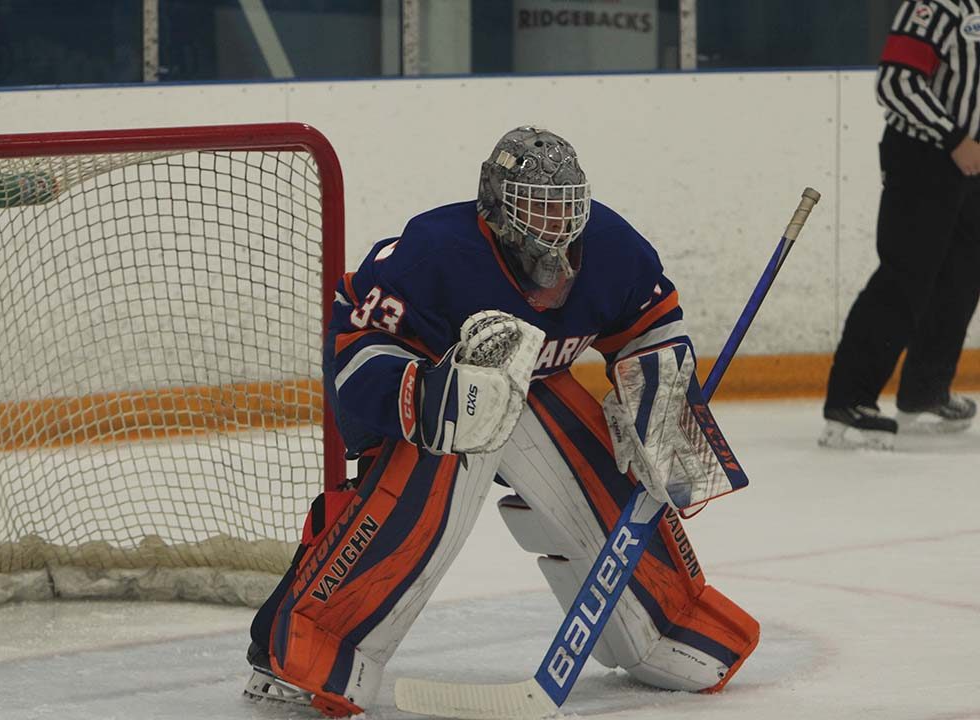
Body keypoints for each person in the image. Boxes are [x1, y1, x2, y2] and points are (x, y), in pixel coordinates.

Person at [243, 126, 759, 717]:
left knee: (605, 480)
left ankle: (666, 624)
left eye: (565, 205)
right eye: (537, 206)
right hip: (433, 398)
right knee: (426, 489)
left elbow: (648, 328)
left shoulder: (614, 247)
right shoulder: (435, 250)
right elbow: (357, 344)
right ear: (495, 205)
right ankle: (312, 641)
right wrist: (423, 397)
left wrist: (659, 405)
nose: (556, 223)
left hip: (536, 390)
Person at [821, 0, 980, 450]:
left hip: (973, 166)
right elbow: (896, 81)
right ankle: (849, 400)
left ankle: (925, 391)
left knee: (960, 280)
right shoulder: (937, 6)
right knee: (905, 277)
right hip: (924, 159)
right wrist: (954, 137)